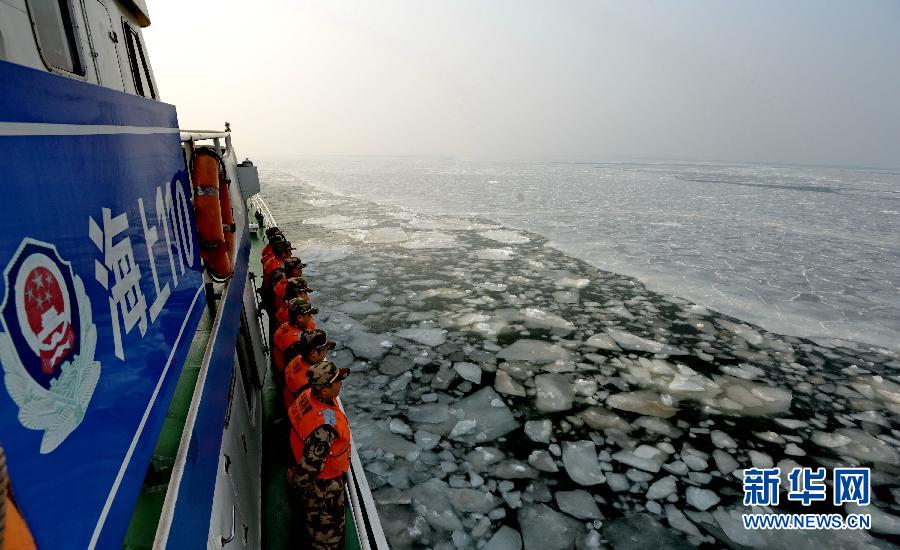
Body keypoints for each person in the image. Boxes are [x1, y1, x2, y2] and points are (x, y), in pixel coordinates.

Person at [286, 361, 351, 550]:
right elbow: (310, 467)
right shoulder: (324, 428)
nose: (340, 383)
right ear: (324, 390)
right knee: (327, 534)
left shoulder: (307, 395)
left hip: (307, 474)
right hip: (323, 489)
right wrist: (297, 481)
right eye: (337, 381)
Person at [283, 330, 335, 409]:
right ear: (314, 353)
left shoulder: (298, 358)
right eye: (324, 349)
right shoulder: (310, 382)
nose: (326, 351)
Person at [272, 298, 318, 378]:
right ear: (299, 318)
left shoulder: (287, 325)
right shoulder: (295, 343)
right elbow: (295, 367)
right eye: (308, 315)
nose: (311, 317)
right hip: (286, 374)